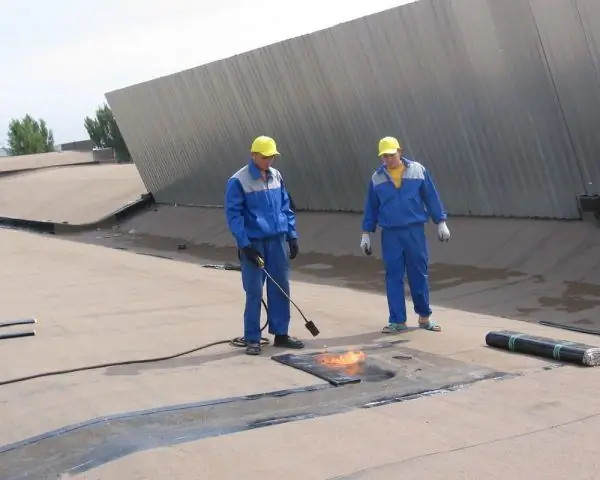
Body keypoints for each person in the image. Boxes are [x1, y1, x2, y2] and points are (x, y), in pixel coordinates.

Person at [360, 136, 451, 334]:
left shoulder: (418, 171)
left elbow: (431, 196)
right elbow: (371, 207)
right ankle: (397, 320)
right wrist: (366, 233)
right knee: (393, 275)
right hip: (391, 233)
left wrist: (441, 222)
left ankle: (425, 317)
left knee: (419, 273)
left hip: (414, 231)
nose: (388, 159)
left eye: (391, 155)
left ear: (400, 151)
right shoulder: (377, 178)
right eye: (384, 156)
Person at [225, 135, 305, 355]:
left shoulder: (276, 176)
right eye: (265, 156)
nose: (269, 161)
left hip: (277, 241)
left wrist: (292, 235)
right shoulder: (238, 181)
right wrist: (245, 245)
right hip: (254, 243)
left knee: (280, 286)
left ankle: (281, 334)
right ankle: (252, 338)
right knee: (254, 290)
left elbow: (285, 207)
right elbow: (234, 216)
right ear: (253, 155)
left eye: (271, 157)